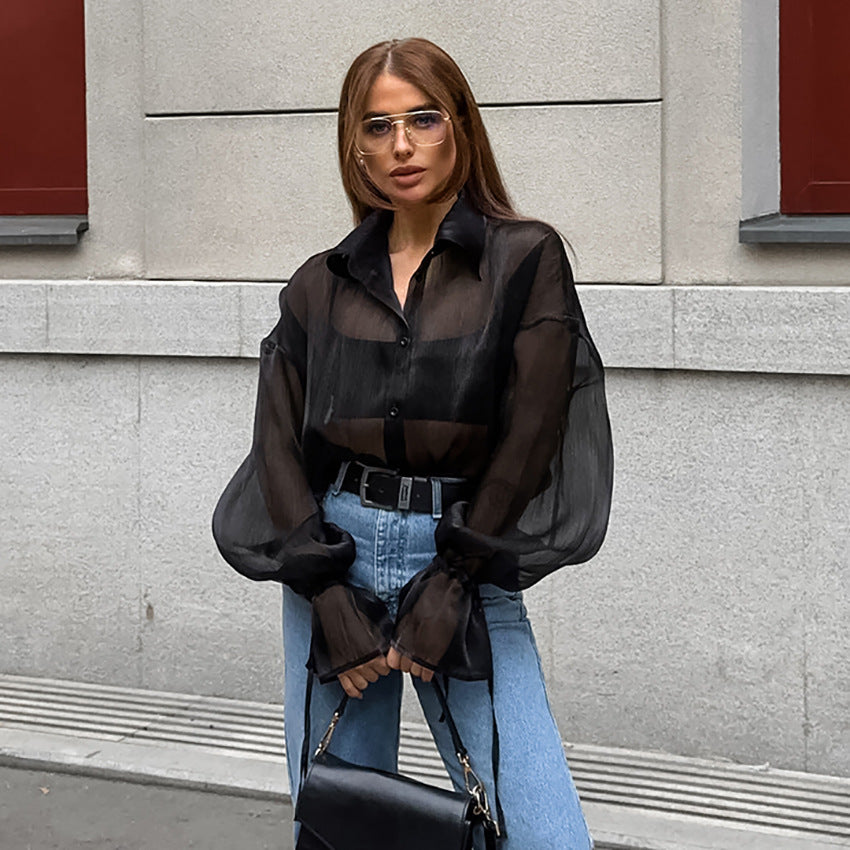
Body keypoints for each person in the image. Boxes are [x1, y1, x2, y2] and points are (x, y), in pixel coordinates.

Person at [213, 37, 613, 850]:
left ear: (459, 125)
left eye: (423, 118)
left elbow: (534, 428)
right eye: (378, 126)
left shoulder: (524, 259)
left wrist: (457, 579)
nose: (402, 145)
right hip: (335, 554)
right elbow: (279, 442)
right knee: (345, 822)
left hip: (465, 546)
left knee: (543, 831)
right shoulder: (319, 283)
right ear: (353, 145)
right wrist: (325, 593)